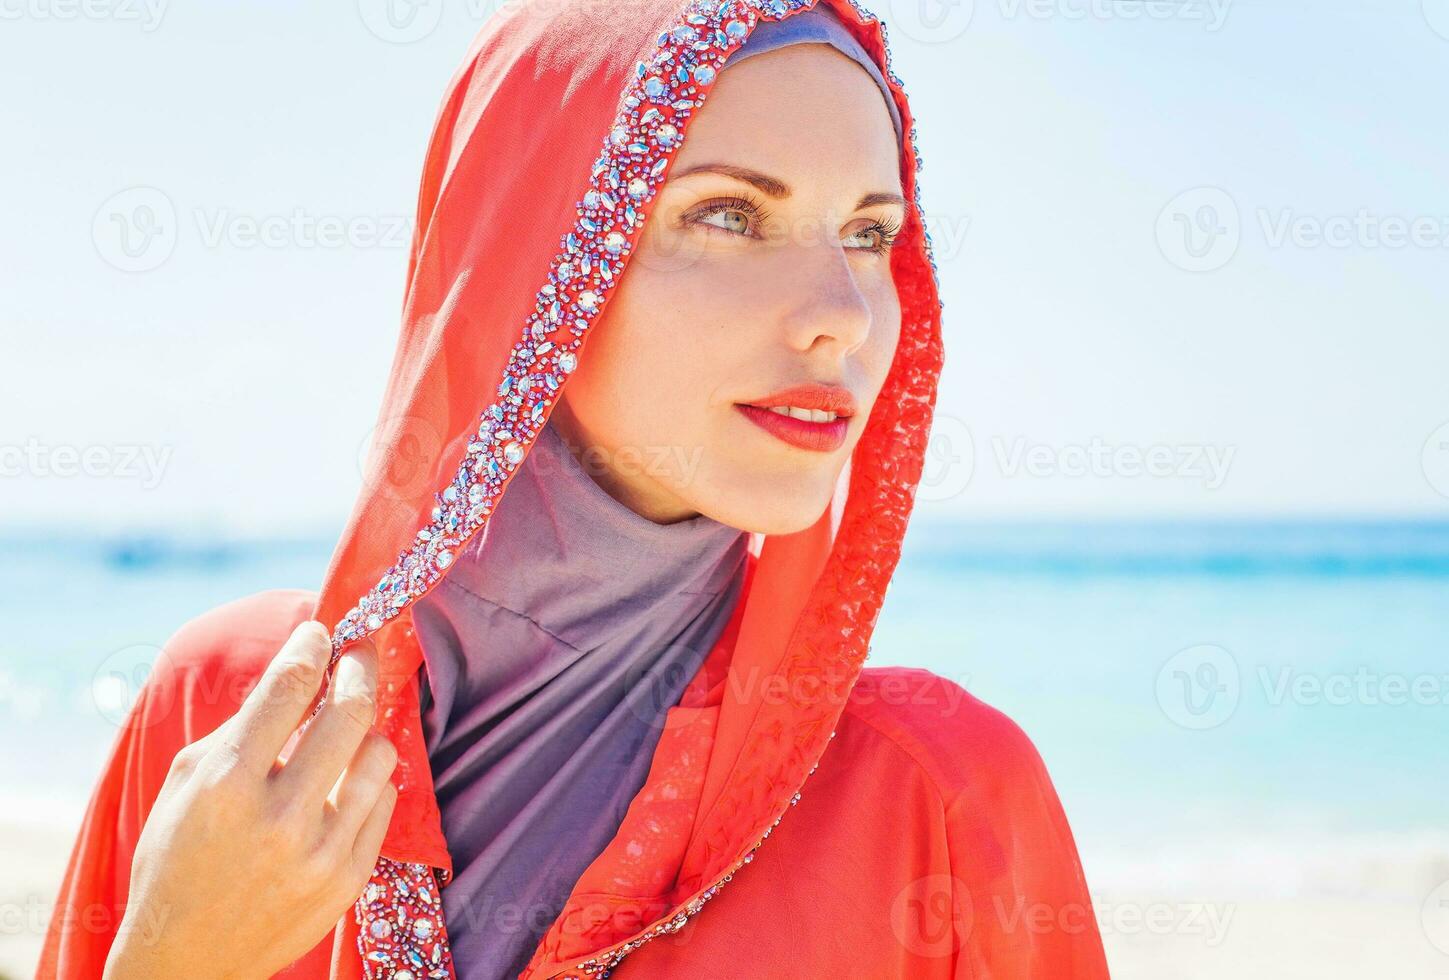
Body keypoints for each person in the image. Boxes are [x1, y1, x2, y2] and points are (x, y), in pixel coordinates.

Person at [37, 0, 1111, 976]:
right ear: (532, 253)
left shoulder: (935, 796)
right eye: (730, 215)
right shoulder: (228, 715)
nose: (845, 312)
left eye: (871, 234)